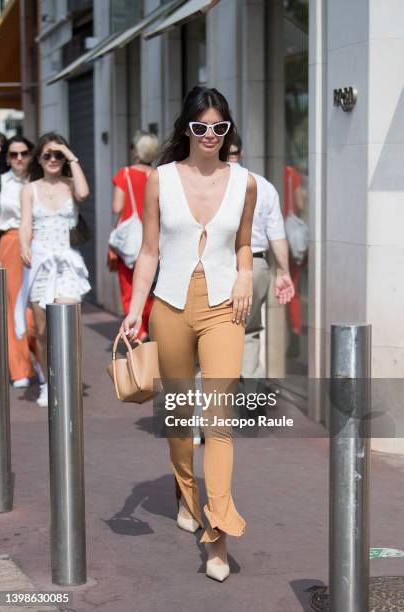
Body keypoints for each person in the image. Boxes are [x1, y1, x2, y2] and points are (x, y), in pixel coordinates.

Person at [122, 85, 293, 582]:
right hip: (170, 306)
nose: (211, 136)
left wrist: (246, 273)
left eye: (220, 127)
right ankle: (185, 490)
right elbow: (149, 250)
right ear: (186, 130)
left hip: (224, 308)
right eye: (201, 128)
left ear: (228, 130)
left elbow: (245, 243)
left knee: (218, 423)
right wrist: (136, 309)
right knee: (180, 423)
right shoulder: (160, 180)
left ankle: (216, 536)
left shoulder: (246, 183)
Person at [18, 132, 91, 407]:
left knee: (69, 324)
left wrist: (70, 155)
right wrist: (24, 245)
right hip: (40, 261)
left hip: (67, 263)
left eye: (57, 154)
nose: (52, 159)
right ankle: (48, 382)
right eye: (47, 154)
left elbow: (84, 194)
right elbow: (25, 224)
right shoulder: (30, 189)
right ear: (39, 158)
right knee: (43, 328)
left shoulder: (72, 184)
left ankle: (67, 381)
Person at [228, 135, 294, 381]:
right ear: (241, 153)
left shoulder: (211, 183)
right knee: (249, 331)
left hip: (223, 265)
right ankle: (252, 398)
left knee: (214, 331)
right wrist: (284, 273)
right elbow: (277, 236)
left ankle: (217, 405)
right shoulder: (264, 185)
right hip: (257, 266)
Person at [111, 130, 159, 339]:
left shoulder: (126, 174)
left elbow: (117, 207)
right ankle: (150, 328)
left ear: (137, 151)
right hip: (155, 237)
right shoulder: (160, 175)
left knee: (130, 286)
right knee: (152, 284)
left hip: (130, 240)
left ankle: (137, 331)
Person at [0, 136, 36, 387]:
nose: (19, 158)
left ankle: (42, 361)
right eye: (13, 154)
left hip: (41, 244)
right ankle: (20, 369)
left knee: (38, 309)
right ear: (7, 157)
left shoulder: (39, 181)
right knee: (13, 310)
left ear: (32, 155)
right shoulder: (0, 183)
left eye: (23, 153)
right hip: (10, 244)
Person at [284, 165, 308, 359]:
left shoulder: (280, 173)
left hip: (278, 236)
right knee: (293, 289)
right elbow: (300, 204)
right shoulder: (293, 175)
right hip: (292, 239)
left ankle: (291, 332)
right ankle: (295, 331)